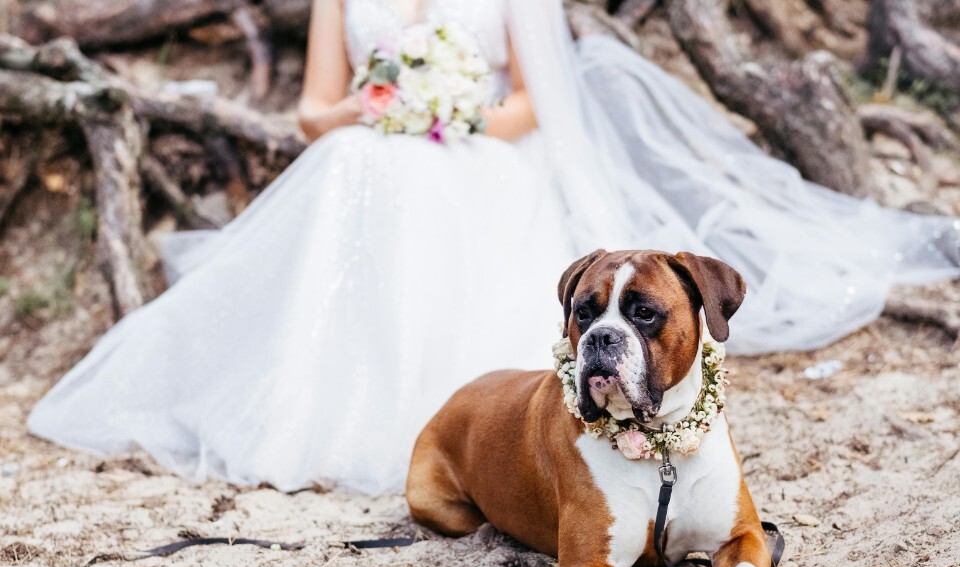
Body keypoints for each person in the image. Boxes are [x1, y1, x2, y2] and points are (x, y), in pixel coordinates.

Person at [28, 0, 959, 495]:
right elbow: (314, 112)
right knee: (358, 163)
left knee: (413, 176)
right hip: (369, 148)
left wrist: (451, 112)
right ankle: (327, 402)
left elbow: (532, 103)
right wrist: (378, 108)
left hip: (486, 151)